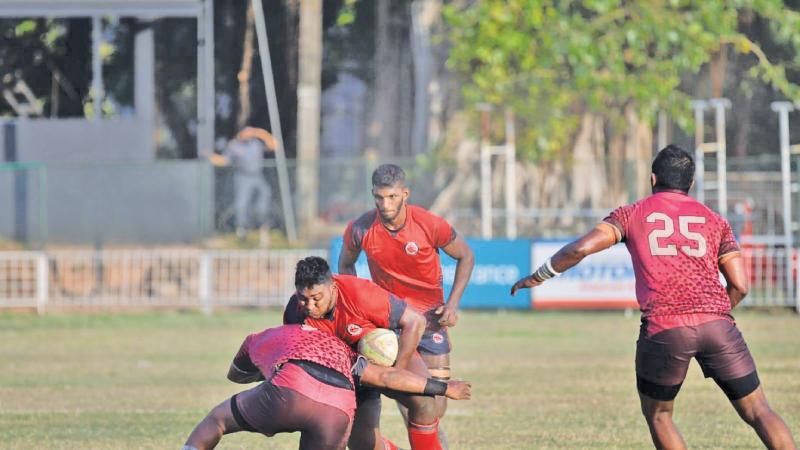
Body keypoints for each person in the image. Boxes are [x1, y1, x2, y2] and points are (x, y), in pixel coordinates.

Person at [510, 145, 797, 450]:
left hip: (666, 327)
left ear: (652, 178)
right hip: (718, 325)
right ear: (691, 184)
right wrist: (711, 315)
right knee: (758, 410)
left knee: (660, 415)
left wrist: (538, 275)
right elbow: (740, 285)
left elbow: (579, 249)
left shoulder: (632, 213)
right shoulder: (715, 220)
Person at [338, 164, 474, 448]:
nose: (384, 204)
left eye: (391, 197)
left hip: (431, 320)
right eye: (378, 197)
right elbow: (345, 263)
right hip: (393, 322)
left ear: (405, 194)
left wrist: (453, 304)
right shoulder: (360, 228)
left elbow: (466, 256)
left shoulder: (429, 223)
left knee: (435, 407)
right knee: (413, 397)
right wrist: (357, 301)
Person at [181, 323, 471, 450]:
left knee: (217, 420)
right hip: (338, 409)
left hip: (289, 392)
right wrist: (443, 388)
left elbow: (237, 374)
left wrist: (265, 372)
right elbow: (385, 377)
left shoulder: (263, 336)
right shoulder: (340, 347)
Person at [284, 256, 446, 450]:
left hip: (389, 358)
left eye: (317, 298)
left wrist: (398, 372)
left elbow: (415, 321)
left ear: (332, 288)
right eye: (303, 298)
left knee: (425, 403)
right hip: (347, 373)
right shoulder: (294, 314)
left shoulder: (360, 293)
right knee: (363, 446)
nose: (310, 306)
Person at [210, 126, 276, 239]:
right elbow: (224, 160)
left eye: (250, 132)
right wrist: (211, 157)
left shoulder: (256, 143)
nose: (248, 134)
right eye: (246, 131)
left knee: (265, 197)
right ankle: (241, 230)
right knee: (241, 204)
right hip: (243, 177)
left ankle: (263, 228)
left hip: (257, 176)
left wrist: (261, 133)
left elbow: (274, 146)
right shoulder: (234, 145)